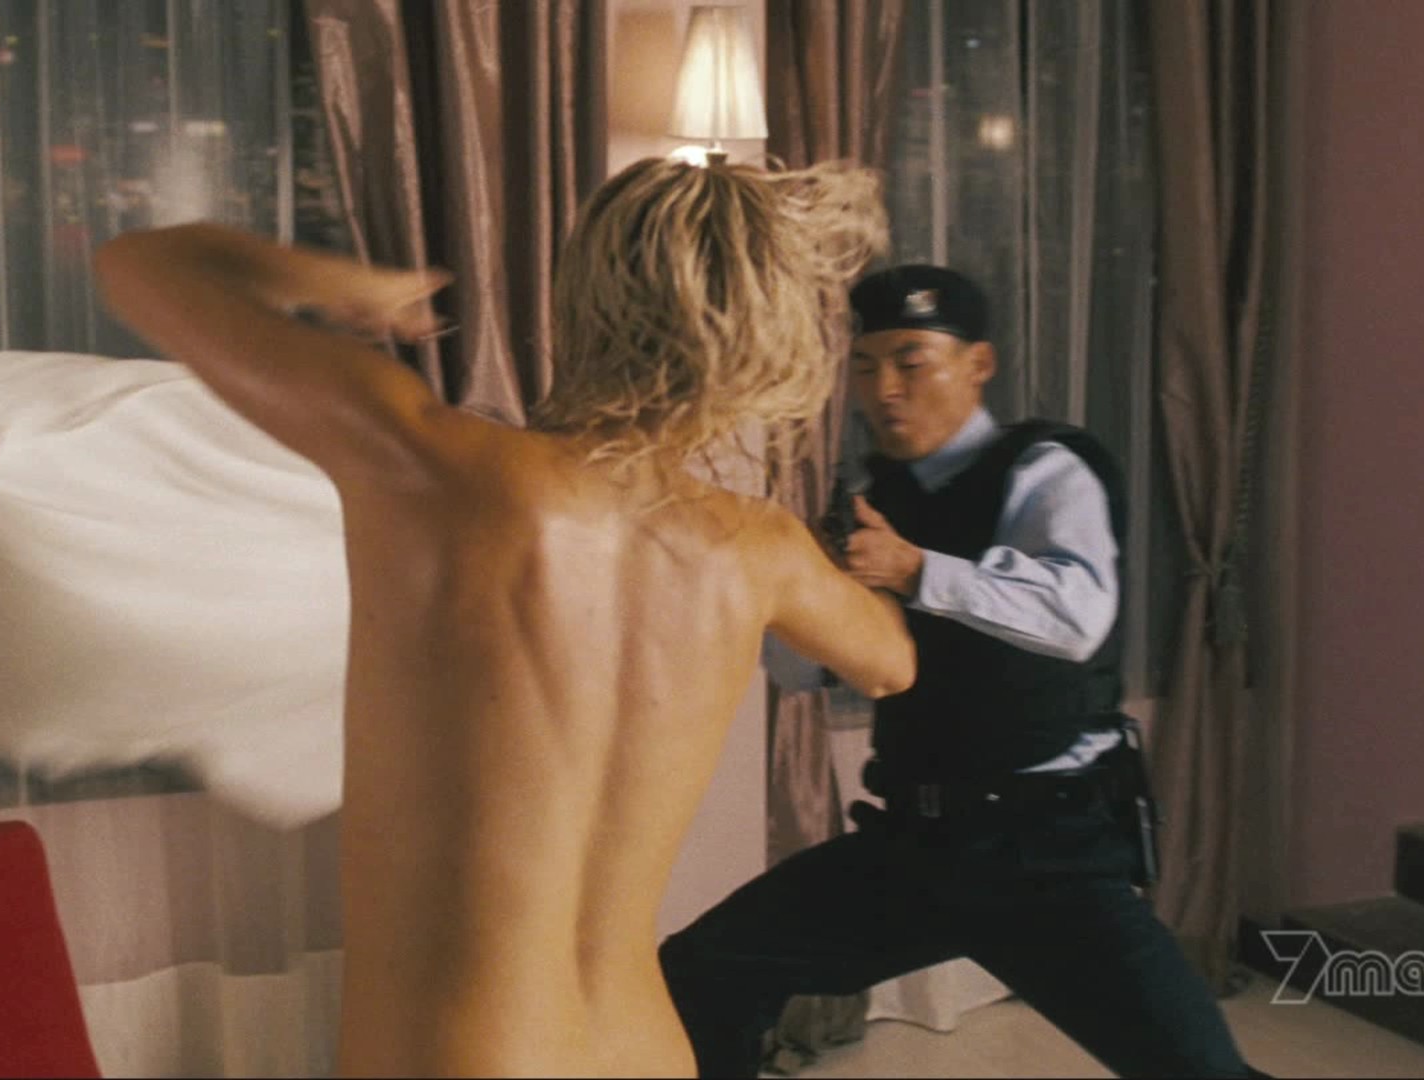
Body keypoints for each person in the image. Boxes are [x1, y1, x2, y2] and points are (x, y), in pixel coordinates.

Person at [90, 158, 915, 1078]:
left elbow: (141, 266)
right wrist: (885, 565)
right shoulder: (761, 550)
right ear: (760, 338)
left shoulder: (440, 467)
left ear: (583, 298)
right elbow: (889, 662)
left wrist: (334, 281)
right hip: (647, 1050)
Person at [658, 264, 1256, 1078]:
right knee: (703, 970)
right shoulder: (872, 495)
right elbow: (807, 675)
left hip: (1048, 856)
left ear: (979, 364)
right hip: (919, 847)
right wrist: (786, 593)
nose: (884, 389)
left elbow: (1078, 614)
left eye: (911, 361)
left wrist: (913, 570)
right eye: (865, 365)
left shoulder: (1047, 468)